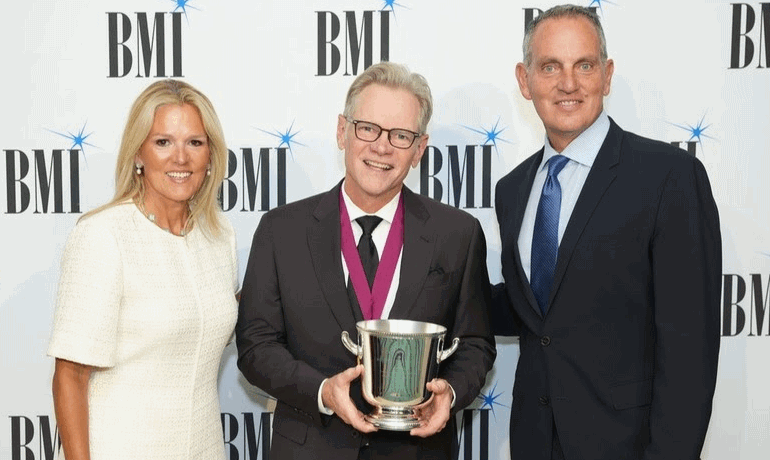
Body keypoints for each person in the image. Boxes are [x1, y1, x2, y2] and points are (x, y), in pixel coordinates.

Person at [492, 5, 722, 460]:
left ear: (607, 74)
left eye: (584, 65)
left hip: (627, 447)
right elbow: (537, 313)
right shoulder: (512, 189)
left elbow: (688, 353)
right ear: (525, 79)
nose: (568, 83)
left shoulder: (669, 177)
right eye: (550, 66)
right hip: (534, 442)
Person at [236, 61, 496, 460]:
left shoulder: (457, 234)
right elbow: (256, 347)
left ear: (419, 149)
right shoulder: (280, 231)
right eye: (368, 128)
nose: (382, 146)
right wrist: (322, 391)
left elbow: (475, 343)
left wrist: (452, 393)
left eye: (401, 135)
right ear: (342, 131)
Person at [48, 79, 238, 460]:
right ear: (139, 153)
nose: (180, 158)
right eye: (163, 142)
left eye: (195, 143)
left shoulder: (220, 236)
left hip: (204, 449)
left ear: (211, 156)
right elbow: (70, 376)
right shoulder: (103, 235)